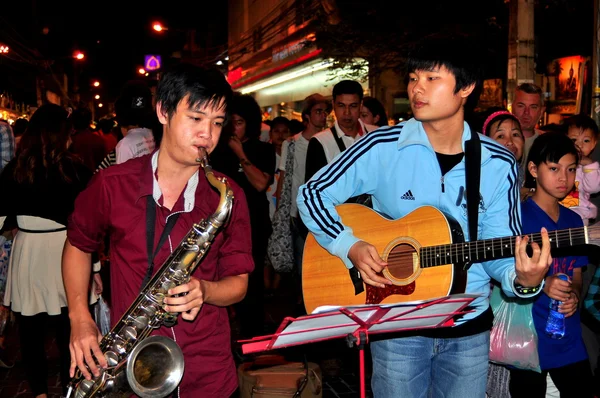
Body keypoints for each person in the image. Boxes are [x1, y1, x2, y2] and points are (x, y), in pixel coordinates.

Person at [296, 34, 552, 397]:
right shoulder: (381, 145)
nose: (417, 88)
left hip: (469, 331)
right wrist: (348, 245)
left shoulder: (498, 163)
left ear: (465, 88)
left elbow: (499, 249)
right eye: (414, 78)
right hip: (398, 327)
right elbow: (311, 193)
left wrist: (524, 278)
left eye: (432, 79)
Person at [62, 64, 254, 397]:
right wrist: (80, 318)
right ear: (163, 111)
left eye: (217, 123)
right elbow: (78, 245)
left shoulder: (227, 195)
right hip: (130, 368)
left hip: (207, 369)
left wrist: (205, 291)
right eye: (195, 118)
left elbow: (238, 283)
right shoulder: (112, 184)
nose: (207, 135)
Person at [0, 104, 93, 398]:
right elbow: (89, 224)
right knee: (71, 325)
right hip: (70, 250)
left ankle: (39, 392)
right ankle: (70, 387)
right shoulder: (75, 169)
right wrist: (97, 270)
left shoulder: (15, 169)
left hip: (29, 250)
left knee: (30, 331)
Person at [508, 132, 594, 397]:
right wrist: (543, 283)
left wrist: (575, 296)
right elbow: (505, 274)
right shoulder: (519, 218)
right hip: (528, 337)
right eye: (554, 168)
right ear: (533, 169)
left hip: (568, 338)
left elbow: (577, 274)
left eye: (570, 170)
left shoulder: (573, 220)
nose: (563, 178)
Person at [210, 92, 275, 339]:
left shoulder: (262, 150)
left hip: (254, 222)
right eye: (231, 122)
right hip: (222, 223)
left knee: (253, 279)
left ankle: (252, 334)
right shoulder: (216, 150)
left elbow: (260, 184)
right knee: (221, 275)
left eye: (239, 122)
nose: (234, 128)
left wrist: (241, 154)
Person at [304, 80, 378, 182]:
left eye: (353, 106)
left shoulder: (376, 135)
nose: (347, 113)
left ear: (361, 105)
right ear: (333, 104)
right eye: (341, 105)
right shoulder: (320, 141)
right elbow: (313, 188)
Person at [559, 114, 600, 226]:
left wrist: (589, 165)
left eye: (586, 141)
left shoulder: (590, 168)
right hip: (557, 211)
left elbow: (593, 188)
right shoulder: (558, 162)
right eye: (573, 140)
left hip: (580, 214)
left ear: (593, 144)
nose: (579, 145)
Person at [481, 108, 526, 186]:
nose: (510, 142)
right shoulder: (482, 180)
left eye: (515, 134)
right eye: (501, 136)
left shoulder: (522, 174)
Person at [511, 83, 546, 170]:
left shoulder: (547, 143)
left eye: (533, 107)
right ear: (512, 107)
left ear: (541, 111)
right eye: (521, 106)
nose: (526, 112)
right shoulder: (499, 141)